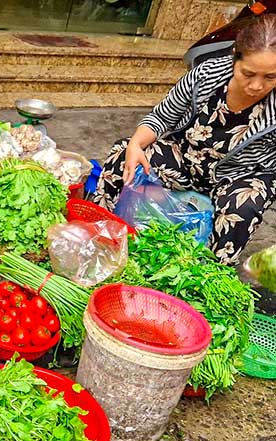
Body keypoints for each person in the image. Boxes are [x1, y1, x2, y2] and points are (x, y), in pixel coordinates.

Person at [93, 14, 276, 264]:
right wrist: (136, 144)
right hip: (187, 159)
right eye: (248, 73)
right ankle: (99, 235)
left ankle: (209, 275)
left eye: (270, 77)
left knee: (242, 209)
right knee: (123, 156)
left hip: (240, 176)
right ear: (235, 56)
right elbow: (161, 118)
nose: (256, 86)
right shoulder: (206, 75)